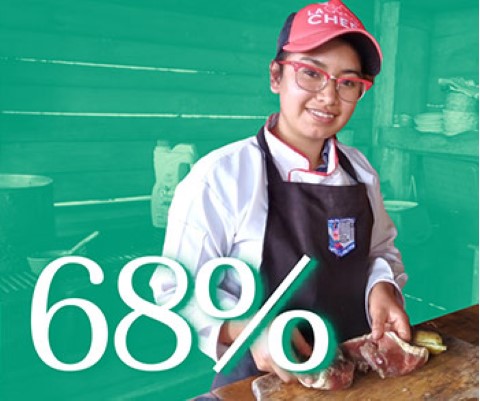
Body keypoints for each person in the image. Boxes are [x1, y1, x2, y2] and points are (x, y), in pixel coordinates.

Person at [150, 0, 410, 390]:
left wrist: (383, 286)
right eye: (310, 73)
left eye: (348, 82)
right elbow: (173, 288)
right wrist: (251, 327)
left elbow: (379, 252)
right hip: (257, 381)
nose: (328, 96)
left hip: (354, 375)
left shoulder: (360, 172)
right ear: (276, 76)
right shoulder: (221, 177)